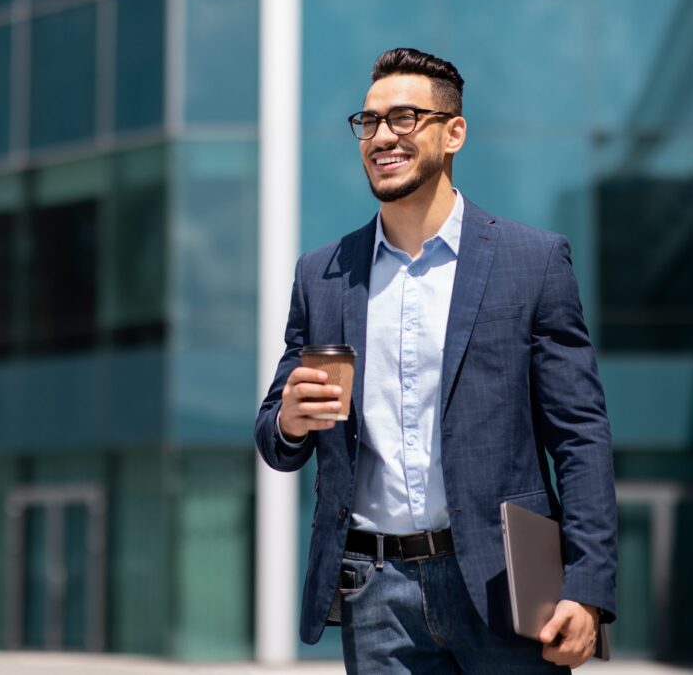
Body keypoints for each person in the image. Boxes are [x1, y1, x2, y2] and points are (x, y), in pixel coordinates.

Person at [254, 48, 616, 673]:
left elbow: (580, 436)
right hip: (374, 591)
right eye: (369, 122)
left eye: (404, 118)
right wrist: (288, 420)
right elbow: (276, 440)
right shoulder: (323, 275)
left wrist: (587, 586)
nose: (381, 137)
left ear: (454, 133)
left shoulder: (532, 262)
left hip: (506, 586)